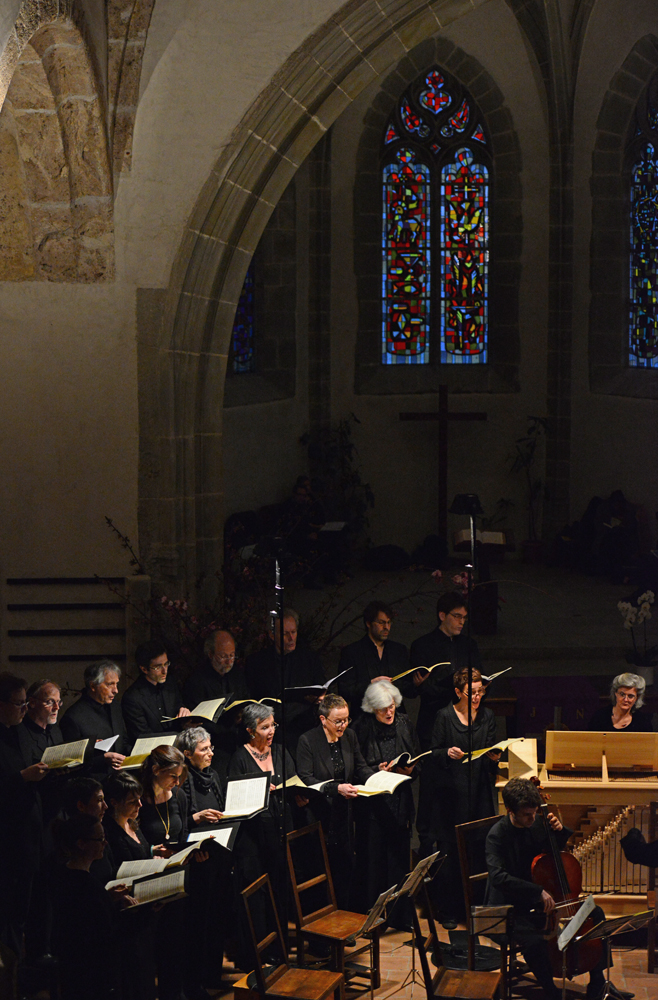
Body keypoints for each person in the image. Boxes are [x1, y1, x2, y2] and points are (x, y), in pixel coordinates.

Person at [485, 778, 630, 1000]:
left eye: (534, 813)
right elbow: (498, 877)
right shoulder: (497, 835)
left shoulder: (534, 824)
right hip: (512, 904)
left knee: (595, 913)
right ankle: (551, 992)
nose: (533, 819)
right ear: (510, 810)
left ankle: (598, 983)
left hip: (543, 901)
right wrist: (536, 890)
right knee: (534, 940)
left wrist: (559, 831)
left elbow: (553, 852)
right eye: (527, 815)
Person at [423, 668, 500, 926]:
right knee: (451, 853)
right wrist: (447, 753)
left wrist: (495, 758)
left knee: (477, 853)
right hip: (451, 796)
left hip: (478, 794)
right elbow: (433, 754)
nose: (477, 697)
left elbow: (492, 747)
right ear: (458, 692)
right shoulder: (444, 716)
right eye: (472, 693)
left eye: (480, 691)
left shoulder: (487, 716)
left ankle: (474, 909)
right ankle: (448, 911)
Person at [228, 703, 297, 969]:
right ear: (249, 731)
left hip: (279, 830)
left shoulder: (279, 751)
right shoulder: (239, 757)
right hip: (253, 837)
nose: (271, 731)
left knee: (280, 892)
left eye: (272, 725)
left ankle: (277, 950)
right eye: (264, 727)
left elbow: (293, 780)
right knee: (256, 896)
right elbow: (236, 800)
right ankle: (254, 953)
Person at [297, 693, 378, 909]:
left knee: (345, 868)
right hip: (319, 815)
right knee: (322, 869)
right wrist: (336, 788)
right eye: (338, 721)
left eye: (346, 719)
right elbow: (306, 778)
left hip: (344, 813)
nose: (343, 725)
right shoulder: (308, 740)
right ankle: (322, 930)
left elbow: (360, 767)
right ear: (323, 720)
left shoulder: (349, 736)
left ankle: (345, 921)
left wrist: (378, 778)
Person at [352, 680, 418, 927]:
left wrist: (410, 768)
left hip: (399, 804)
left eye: (391, 706)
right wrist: (375, 770)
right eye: (383, 709)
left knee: (399, 861)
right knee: (373, 861)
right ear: (372, 708)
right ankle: (374, 916)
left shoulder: (404, 723)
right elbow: (356, 769)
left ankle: (400, 916)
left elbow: (418, 761)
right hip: (373, 808)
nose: (389, 712)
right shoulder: (361, 728)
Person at [50, 813, 129, 1000]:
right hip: (92, 977)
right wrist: (148, 912)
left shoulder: (64, 875)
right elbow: (105, 936)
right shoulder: (87, 886)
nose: (106, 843)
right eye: (100, 839)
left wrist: (107, 899)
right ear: (81, 843)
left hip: (74, 972)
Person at [0, 672, 48, 956]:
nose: (24, 709)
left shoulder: (19, 732)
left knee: (22, 912)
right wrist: (22, 777)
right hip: (7, 841)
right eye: (19, 704)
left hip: (27, 839)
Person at [406, 591, 483, 749]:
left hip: (465, 722)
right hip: (433, 721)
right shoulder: (422, 645)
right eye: (457, 616)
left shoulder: (469, 645)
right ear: (442, 616)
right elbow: (420, 689)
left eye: (464, 617)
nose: (462, 622)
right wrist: (455, 690)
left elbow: (479, 677)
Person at [245, 608, 326, 752]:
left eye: (293, 632)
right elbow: (252, 697)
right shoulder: (256, 662)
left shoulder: (310, 659)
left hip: (304, 729)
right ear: (272, 634)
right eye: (285, 634)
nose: (291, 638)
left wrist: (320, 697)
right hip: (272, 733)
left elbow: (323, 687)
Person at [183, 629, 251, 779]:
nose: (228, 661)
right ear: (211, 654)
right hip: (214, 748)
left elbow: (246, 700)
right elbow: (197, 721)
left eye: (232, 655)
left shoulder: (238, 676)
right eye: (223, 656)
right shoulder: (197, 681)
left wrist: (242, 715)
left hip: (238, 742)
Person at [337, 601, 409, 719]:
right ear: (369, 623)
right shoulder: (352, 652)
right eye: (381, 623)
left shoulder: (398, 650)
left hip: (395, 719)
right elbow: (344, 691)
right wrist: (370, 684)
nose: (386, 627)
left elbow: (409, 690)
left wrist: (417, 683)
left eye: (389, 622)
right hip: (364, 721)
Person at [60, 660, 129, 766]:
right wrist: (102, 759)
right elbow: (70, 761)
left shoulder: (115, 706)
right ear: (92, 686)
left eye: (116, 684)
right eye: (110, 684)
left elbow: (123, 739)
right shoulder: (73, 717)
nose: (116, 690)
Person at [121, 640, 190, 744]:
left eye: (166, 664)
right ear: (144, 669)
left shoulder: (170, 684)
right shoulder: (132, 698)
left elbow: (178, 708)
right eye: (158, 667)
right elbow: (142, 737)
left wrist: (185, 718)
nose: (164, 671)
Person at [138, 745, 189, 848]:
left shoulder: (179, 795)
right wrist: (151, 852)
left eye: (179, 777)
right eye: (173, 776)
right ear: (156, 770)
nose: (177, 782)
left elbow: (184, 832)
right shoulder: (138, 801)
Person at [175, 726, 225, 825]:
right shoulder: (180, 780)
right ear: (188, 754)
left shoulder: (212, 774)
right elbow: (178, 824)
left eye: (210, 748)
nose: (211, 753)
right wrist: (197, 818)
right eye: (204, 749)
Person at [587, 672, 653, 731]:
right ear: (615, 693)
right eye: (622, 694)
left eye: (630, 696)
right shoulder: (599, 717)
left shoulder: (643, 722)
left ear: (637, 697)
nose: (626, 699)